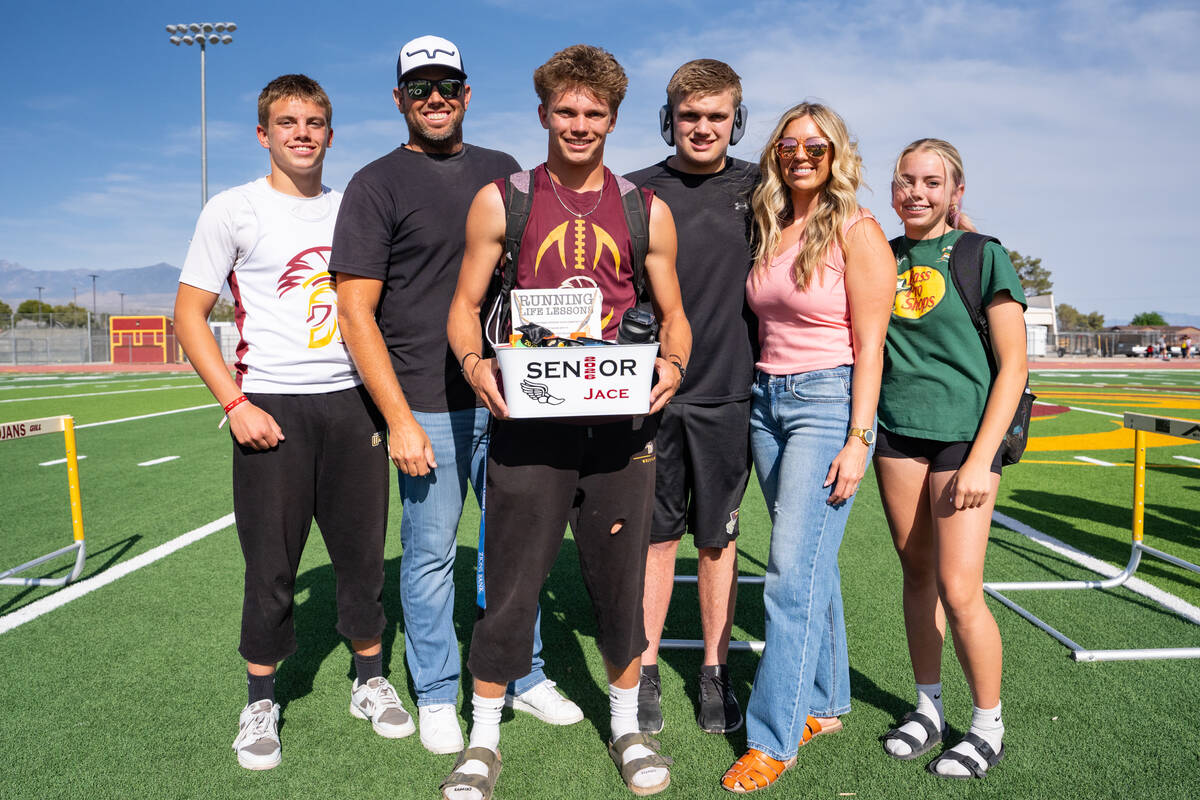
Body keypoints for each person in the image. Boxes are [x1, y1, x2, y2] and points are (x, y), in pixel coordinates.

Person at [444, 44, 691, 799]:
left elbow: (676, 316)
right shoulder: (502, 199)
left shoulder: (645, 208)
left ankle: (626, 726)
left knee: (618, 586)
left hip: (618, 431)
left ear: (613, 119)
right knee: (512, 586)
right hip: (532, 425)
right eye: (566, 111)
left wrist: (672, 369)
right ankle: (483, 742)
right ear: (544, 113)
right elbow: (462, 308)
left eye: (594, 113)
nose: (579, 125)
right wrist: (477, 365)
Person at [331, 35, 582, 756]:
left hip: (510, 398)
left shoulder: (505, 172)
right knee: (432, 553)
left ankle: (521, 673)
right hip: (427, 408)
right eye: (420, 89)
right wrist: (398, 418)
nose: (434, 99)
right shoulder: (375, 184)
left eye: (447, 87)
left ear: (467, 95)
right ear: (399, 99)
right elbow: (354, 314)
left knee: (516, 548)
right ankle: (439, 690)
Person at [175, 74, 412, 771]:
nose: (302, 133)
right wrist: (236, 403)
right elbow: (189, 315)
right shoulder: (233, 209)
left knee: (362, 558)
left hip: (351, 403)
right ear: (263, 134)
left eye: (314, 122)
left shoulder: (355, 207)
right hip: (271, 408)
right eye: (287, 122)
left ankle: (369, 682)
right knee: (271, 567)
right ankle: (260, 700)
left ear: (331, 135)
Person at [720, 103, 894, 793]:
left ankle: (774, 739)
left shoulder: (857, 229)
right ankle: (823, 701)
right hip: (766, 402)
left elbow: (873, 347)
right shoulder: (770, 225)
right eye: (788, 144)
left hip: (828, 404)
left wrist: (858, 439)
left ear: (836, 154)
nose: (799, 154)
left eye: (815, 146)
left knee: (790, 575)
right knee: (811, 564)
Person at [875, 139, 1027, 779]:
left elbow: (1014, 365)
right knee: (917, 573)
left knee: (960, 588)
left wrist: (980, 459)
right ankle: (929, 707)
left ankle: (987, 723)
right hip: (896, 434)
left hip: (965, 438)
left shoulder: (980, 254)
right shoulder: (879, 256)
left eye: (932, 183)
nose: (917, 192)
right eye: (906, 180)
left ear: (955, 191)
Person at [625, 59, 757, 736]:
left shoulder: (763, 189)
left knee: (717, 542)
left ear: (737, 119)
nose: (703, 128)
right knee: (655, 541)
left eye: (717, 116)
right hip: (650, 396)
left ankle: (714, 672)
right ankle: (645, 671)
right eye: (690, 116)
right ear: (668, 119)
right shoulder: (636, 190)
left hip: (728, 396)